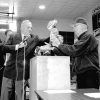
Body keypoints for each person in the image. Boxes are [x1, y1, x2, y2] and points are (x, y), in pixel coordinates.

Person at [40, 17, 100, 89]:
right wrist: (53, 48)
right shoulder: (80, 41)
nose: (73, 29)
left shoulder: (89, 37)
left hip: (89, 75)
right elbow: (69, 54)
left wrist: (58, 44)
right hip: (81, 75)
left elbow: (74, 50)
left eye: (75, 26)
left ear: (83, 27)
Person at [0, 20, 49, 100]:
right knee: (4, 96)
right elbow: (4, 48)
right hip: (9, 71)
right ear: (22, 28)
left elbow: (44, 41)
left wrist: (52, 34)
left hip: (22, 74)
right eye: (28, 27)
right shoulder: (13, 36)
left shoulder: (34, 38)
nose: (30, 29)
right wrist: (16, 46)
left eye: (31, 28)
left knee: (20, 97)